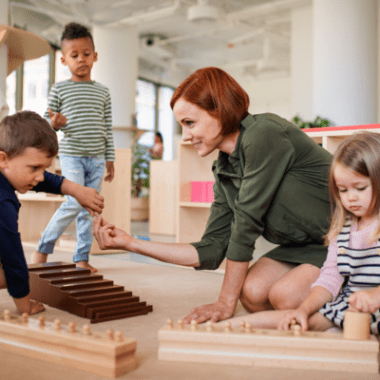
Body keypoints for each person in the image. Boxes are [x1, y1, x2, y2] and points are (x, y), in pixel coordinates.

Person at [93, 67, 332, 324]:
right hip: (306, 247)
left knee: (285, 297)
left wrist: (224, 303)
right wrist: (132, 243)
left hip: (348, 241)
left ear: (220, 110)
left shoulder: (264, 134)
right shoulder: (224, 169)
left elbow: (245, 226)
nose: (185, 136)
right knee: (251, 294)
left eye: (190, 123)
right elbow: (211, 249)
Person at [226, 132, 380, 334]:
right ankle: (222, 328)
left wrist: (374, 297)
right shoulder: (342, 229)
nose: (351, 198)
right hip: (351, 307)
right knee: (301, 323)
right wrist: (303, 310)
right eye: (343, 190)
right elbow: (331, 277)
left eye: (360, 188)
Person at [0, 111, 104, 315]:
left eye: (45, 168)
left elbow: (45, 179)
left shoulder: (7, 170)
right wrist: (25, 306)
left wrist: (76, 190)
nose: (40, 177)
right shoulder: (2, 202)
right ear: (3, 159)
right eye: (34, 168)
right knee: (16, 271)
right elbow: (13, 257)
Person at [31, 22, 115, 273]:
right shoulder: (59, 89)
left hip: (98, 158)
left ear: (95, 56)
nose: (81, 60)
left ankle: (81, 258)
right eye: (74, 55)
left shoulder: (103, 92)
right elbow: (47, 126)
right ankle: (43, 248)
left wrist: (110, 159)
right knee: (75, 202)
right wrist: (54, 124)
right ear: (63, 59)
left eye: (86, 54)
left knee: (90, 208)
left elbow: (107, 127)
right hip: (71, 155)